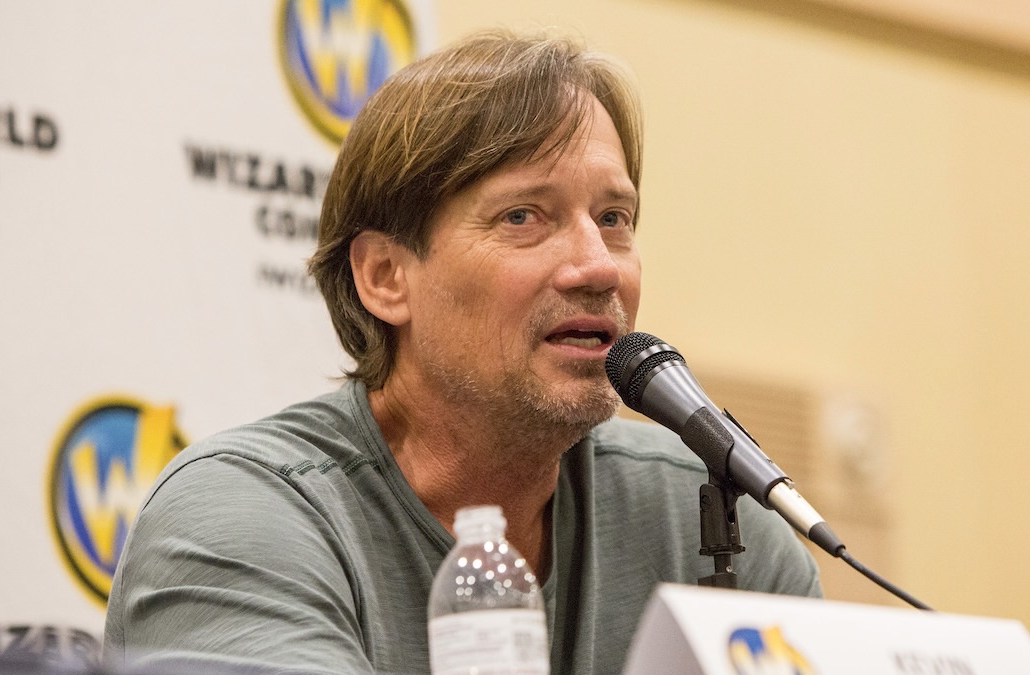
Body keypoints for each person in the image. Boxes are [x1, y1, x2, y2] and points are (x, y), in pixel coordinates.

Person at [103, 30, 821, 674]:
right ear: (386, 276)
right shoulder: (239, 517)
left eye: (613, 218)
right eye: (523, 216)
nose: (599, 265)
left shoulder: (715, 521)